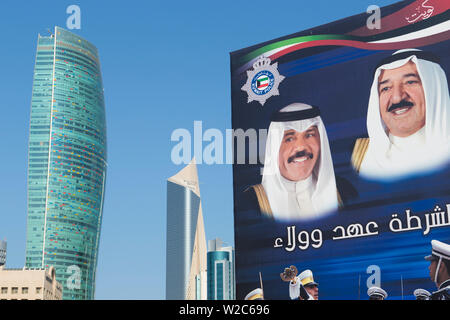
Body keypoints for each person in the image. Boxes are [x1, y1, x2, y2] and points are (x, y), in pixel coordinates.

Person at [242, 103, 356, 221]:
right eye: (289, 138)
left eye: (309, 135)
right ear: (274, 146)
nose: (301, 147)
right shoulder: (251, 202)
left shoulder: (343, 190)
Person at [352, 49, 450, 180]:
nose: (397, 98)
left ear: (434, 89)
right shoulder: (361, 157)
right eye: (386, 88)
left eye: (410, 82)